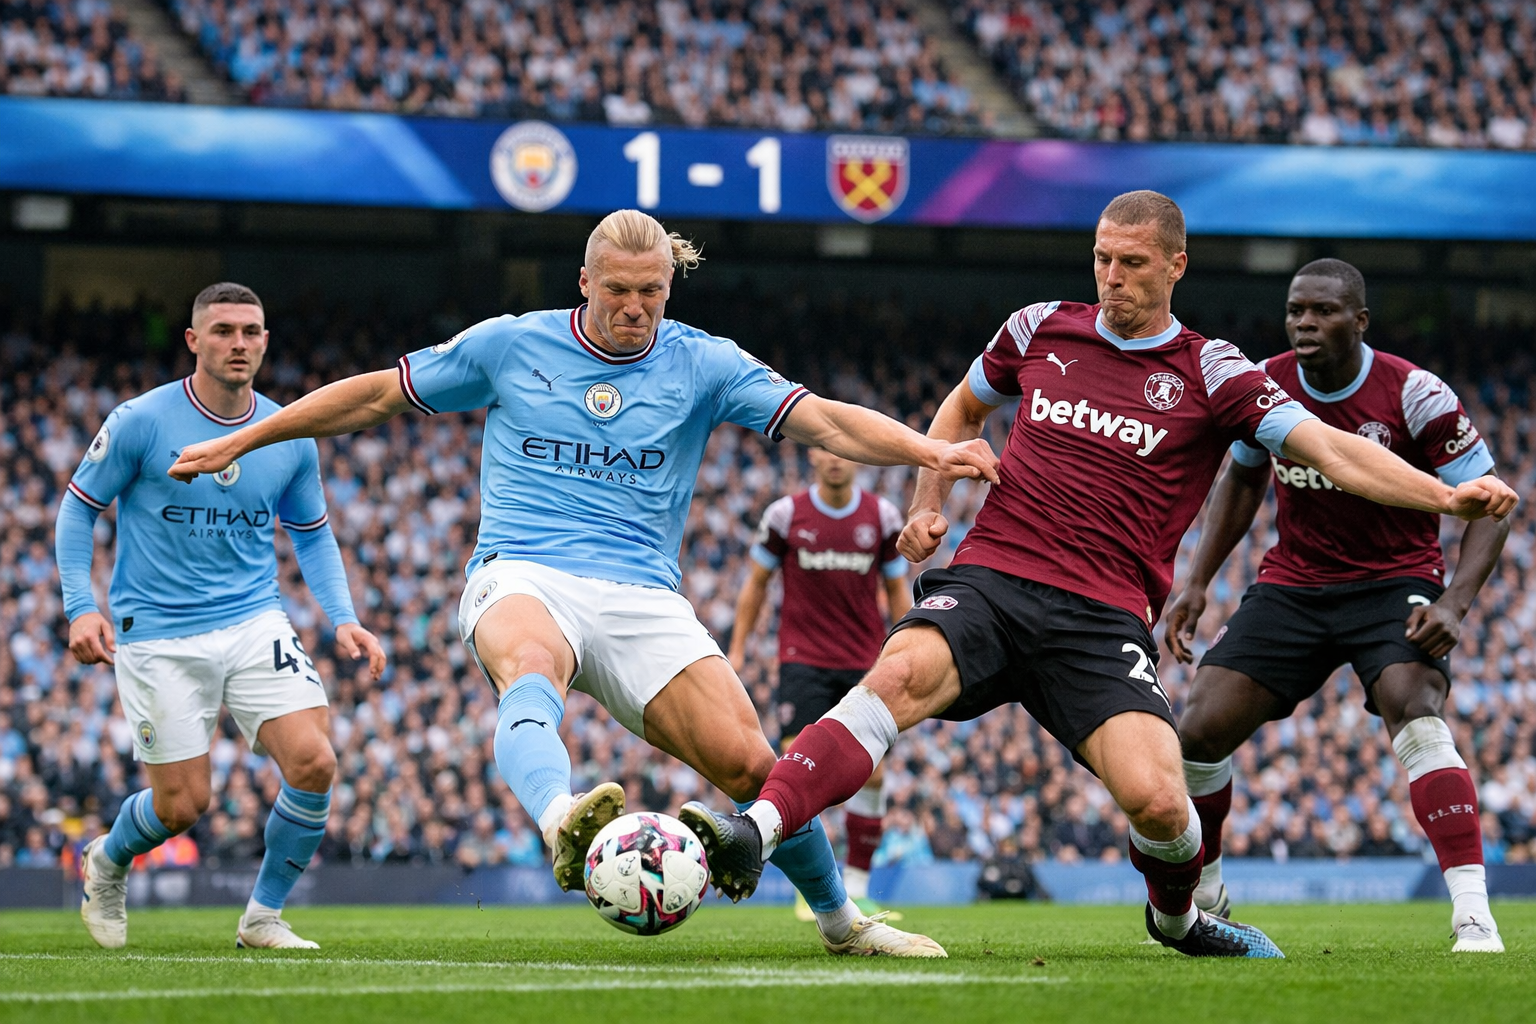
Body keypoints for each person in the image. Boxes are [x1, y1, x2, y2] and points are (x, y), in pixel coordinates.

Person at [679, 191, 1518, 959]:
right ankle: (753, 831)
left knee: (1163, 806)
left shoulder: (1215, 370)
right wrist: (930, 500)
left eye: (1133, 263)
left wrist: (1446, 496)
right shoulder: (1038, 326)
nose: (1111, 277)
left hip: (1102, 619)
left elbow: (1331, 450)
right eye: (1102, 259)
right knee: (894, 676)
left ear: (1175, 266)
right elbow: (964, 410)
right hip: (995, 581)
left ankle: (1179, 920)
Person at [170, 210, 998, 958]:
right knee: (531, 664)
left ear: (669, 285)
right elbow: (378, 396)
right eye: (618, 292)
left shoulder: (702, 362)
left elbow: (823, 418)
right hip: (524, 569)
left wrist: (931, 452)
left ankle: (841, 922)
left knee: (751, 764)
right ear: (584, 283)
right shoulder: (513, 344)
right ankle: (562, 819)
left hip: (643, 595)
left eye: (651, 292)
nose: (635, 308)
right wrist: (250, 438)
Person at [1164, 259, 1508, 952]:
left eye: (1322, 312)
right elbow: (1242, 478)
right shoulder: (1266, 384)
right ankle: (1208, 895)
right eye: (1296, 312)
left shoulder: (1414, 393)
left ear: (1360, 321)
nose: (1305, 325)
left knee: (1414, 702)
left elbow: (1491, 505)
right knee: (1197, 730)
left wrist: (1456, 604)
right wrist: (1198, 581)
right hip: (1294, 584)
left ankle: (1473, 911)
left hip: (1394, 582)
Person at [59, 283, 386, 950]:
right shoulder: (141, 421)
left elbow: (314, 532)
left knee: (315, 761)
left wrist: (343, 617)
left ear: (266, 341)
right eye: (224, 331)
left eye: (251, 331)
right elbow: (78, 509)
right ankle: (108, 857)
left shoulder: (289, 433)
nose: (239, 343)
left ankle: (262, 916)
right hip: (155, 630)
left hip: (252, 620)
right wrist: (78, 606)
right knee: (182, 806)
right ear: (194, 341)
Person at [728, 447, 910, 920]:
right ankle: (811, 886)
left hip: (864, 663)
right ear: (813, 456)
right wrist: (740, 646)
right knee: (797, 764)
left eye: (843, 453)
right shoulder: (786, 515)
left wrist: (904, 645)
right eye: (826, 452)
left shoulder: (883, 517)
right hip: (802, 661)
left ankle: (858, 885)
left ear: (856, 458)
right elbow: (755, 585)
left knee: (873, 772)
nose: (835, 460)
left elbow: (894, 590)